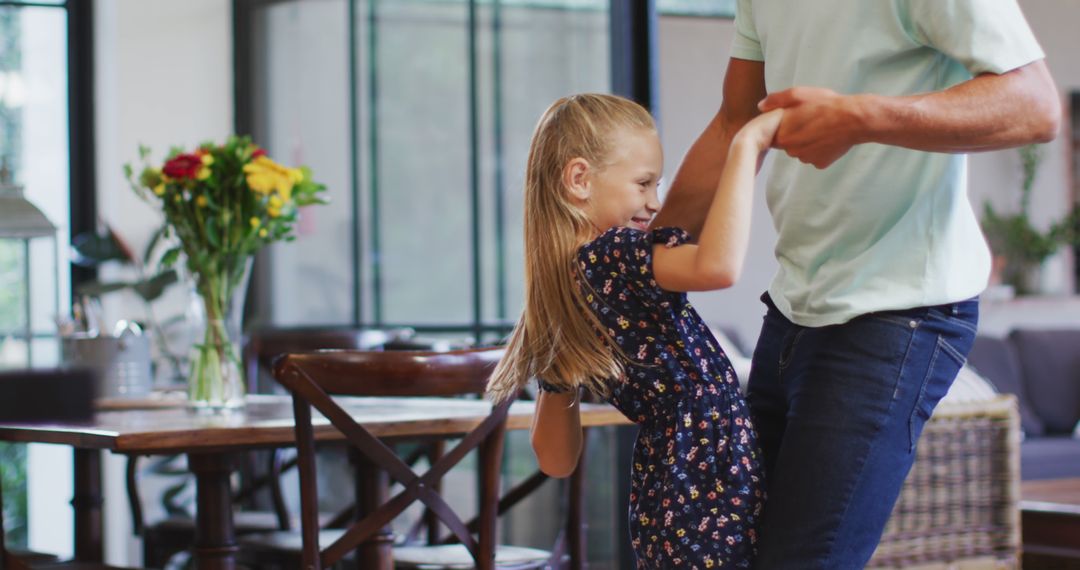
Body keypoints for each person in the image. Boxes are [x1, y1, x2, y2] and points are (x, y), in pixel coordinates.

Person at [651, 1, 1062, 568]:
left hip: (900, 308)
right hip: (794, 303)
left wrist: (861, 116)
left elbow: (1036, 106)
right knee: (727, 552)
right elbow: (732, 124)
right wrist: (635, 270)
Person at [486, 93, 781, 568]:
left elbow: (555, 459)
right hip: (706, 484)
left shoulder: (562, 291)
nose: (655, 203)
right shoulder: (615, 253)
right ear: (580, 179)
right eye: (643, 184)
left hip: (667, 490)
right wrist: (748, 144)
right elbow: (718, 268)